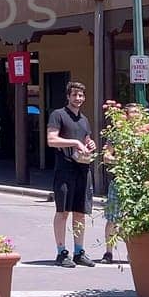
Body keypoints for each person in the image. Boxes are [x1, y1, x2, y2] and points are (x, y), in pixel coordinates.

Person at [45, 80, 96, 268]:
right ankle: (61, 252)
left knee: (80, 213)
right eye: (74, 95)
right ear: (68, 96)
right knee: (63, 212)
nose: (78, 98)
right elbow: (51, 140)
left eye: (81, 95)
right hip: (64, 169)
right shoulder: (58, 115)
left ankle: (79, 252)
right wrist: (74, 143)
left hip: (83, 169)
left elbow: (87, 140)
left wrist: (90, 144)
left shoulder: (84, 119)